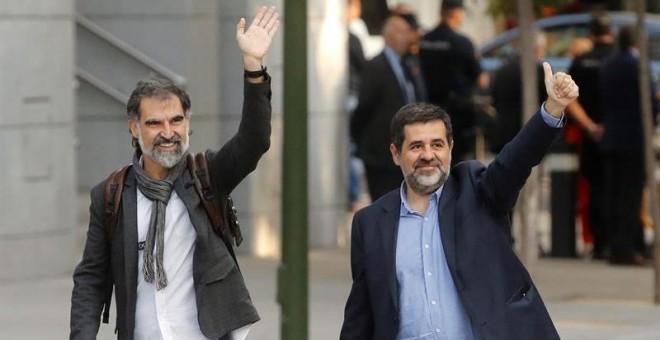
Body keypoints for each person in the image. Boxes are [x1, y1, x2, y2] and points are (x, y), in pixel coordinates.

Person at [70, 6, 279, 340]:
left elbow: (254, 140)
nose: (168, 132)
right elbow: (91, 279)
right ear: (134, 128)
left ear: (188, 123)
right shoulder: (110, 196)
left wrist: (253, 67)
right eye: (154, 123)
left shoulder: (206, 177)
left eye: (176, 121)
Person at [340, 62, 577, 340]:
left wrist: (552, 109)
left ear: (450, 148)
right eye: (416, 146)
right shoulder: (370, 224)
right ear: (395, 153)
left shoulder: (478, 192)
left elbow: (516, 161)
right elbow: (361, 315)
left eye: (437, 144)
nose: (428, 155)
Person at [599, 26, 657, 266]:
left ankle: (614, 244)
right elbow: (651, 103)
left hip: (612, 136)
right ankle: (628, 246)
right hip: (634, 138)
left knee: (612, 193)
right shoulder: (638, 67)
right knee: (631, 196)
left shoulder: (608, 65)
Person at [351, 15, 422, 201]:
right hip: (381, 154)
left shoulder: (408, 65)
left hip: (406, 151)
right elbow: (364, 108)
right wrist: (362, 142)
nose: (407, 38)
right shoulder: (375, 66)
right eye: (402, 32)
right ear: (389, 35)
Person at [566, 13, 615, 259]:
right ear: (611, 32)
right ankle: (619, 240)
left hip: (591, 134)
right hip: (618, 134)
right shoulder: (621, 58)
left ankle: (599, 242)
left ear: (591, 35)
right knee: (619, 186)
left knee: (594, 186)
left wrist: (589, 126)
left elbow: (569, 98)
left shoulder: (582, 61)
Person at [419, 0, 482, 164]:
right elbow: (480, 78)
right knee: (456, 162)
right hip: (457, 116)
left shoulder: (425, 41)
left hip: (428, 111)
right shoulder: (462, 43)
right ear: (456, 13)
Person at [489, 31, 547, 154]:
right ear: (538, 49)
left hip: (504, 133)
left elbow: (494, 98)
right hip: (531, 133)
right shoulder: (540, 70)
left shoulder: (503, 68)